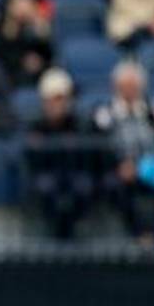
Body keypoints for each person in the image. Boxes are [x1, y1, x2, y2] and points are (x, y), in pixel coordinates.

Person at [94, 61, 154, 241]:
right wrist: (118, 166)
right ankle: (137, 235)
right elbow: (97, 146)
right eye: (124, 87)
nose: (129, 91)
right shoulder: (105, 113)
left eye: (133, 86)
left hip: (152, 167)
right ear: (116, 87)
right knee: (116, 187)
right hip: (120, 170)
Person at [25, 69, 98, 240]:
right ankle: (55, 233)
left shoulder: (80, 123)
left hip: (74, 172)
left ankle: (74, 228)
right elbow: (30, 159)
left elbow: (88, 157)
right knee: (45, 187)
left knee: (83, 186)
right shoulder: (36, 124)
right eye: (50, 100)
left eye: (59, 100)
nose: (54, 105)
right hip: (47, 173)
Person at [0, 0, 53, 89]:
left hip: (35, 80)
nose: (24, 9)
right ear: (10, 6)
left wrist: (41, 33)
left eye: (29, 4)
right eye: (20, 4)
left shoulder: (34, 30)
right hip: (7, 77)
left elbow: (48, 57)